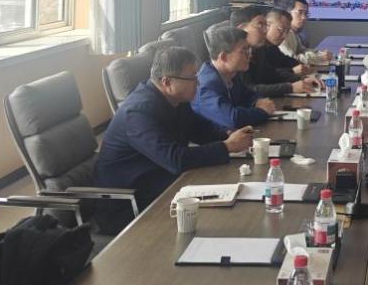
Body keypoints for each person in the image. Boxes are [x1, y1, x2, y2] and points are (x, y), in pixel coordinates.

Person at [94, 46, 254, 231]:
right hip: (130, 204)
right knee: (224, 218)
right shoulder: (137, 113)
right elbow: (175, 159)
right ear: (167, 82)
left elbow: (200, 129)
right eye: (192, 78)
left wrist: (228, 134)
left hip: (164, 184)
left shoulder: (176, 99)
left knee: (234, 193)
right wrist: (227, 146)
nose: (198, 83)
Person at [193, 24, 277, 129]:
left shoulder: (231, 75)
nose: (250, 55)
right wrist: (263, 111)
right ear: (223, 57)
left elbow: (249, 95)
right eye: (244, 51)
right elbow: (232, 119)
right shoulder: (205, 86)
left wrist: (258, 102)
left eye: (249, 50)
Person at [246, 8, 322, 97]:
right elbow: (249, 89)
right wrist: (291, 85)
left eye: (287, 32)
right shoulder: (250, 50)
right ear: (268, 25)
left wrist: (302, 78)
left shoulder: (267, 48)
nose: (284, 36)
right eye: (281, 29)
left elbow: (273, 73)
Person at [280, 0, 333, 65]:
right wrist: (319, 57)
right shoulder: (280, 33)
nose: (304, 17)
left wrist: (320, 53)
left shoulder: (292, 32)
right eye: (300, 12)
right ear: (287, 13)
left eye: (306, 14)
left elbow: (302, 50)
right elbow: (292, 59)